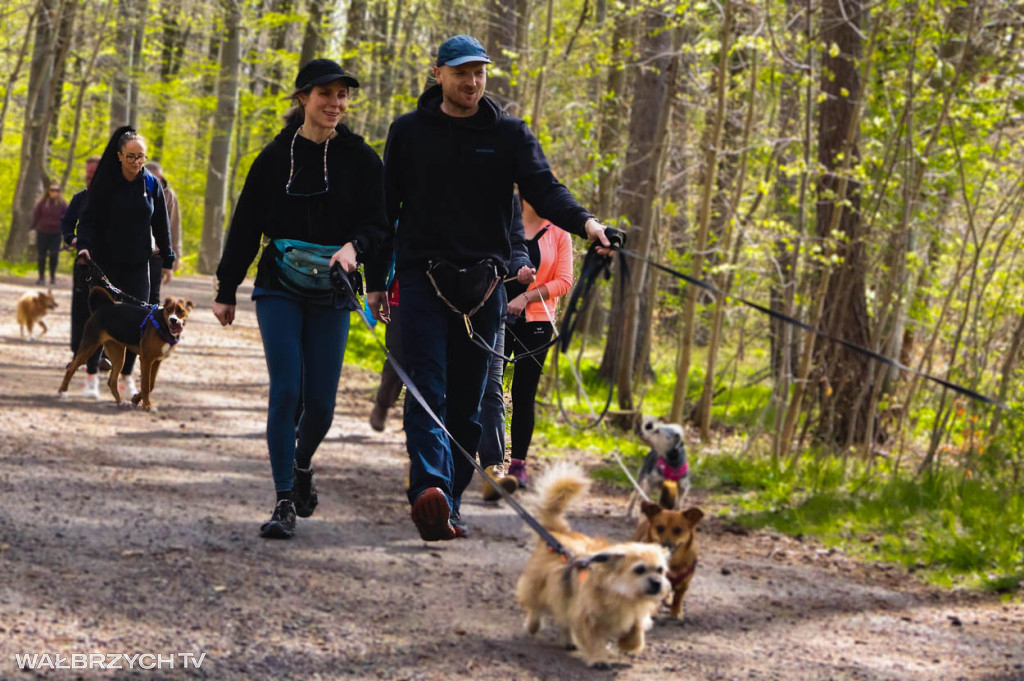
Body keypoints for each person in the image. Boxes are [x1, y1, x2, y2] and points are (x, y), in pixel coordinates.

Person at [365, 35, 611, 542]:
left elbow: (545, 189)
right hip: (421, 280)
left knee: (470, 405)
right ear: (438, 74)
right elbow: (385, 212)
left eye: (479, 71)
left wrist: (588, 226)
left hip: (485, 286)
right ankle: (428, 489)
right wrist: (374, 281)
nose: (472, 81)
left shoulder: (510, 135)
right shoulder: (408, 132)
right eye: (461, 72)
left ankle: (448, 505)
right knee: (426, 389)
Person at [213, 58, 389, 540]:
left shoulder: (362, 159)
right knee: (287, 391)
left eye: (343, 95)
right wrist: (227, 288)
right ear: (302, 99)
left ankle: (302, 462)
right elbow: (246, 224)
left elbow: (379, 225)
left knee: (322, 405)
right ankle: (284, 499)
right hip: (279, 286)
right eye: (325, 94)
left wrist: (359, 255)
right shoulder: (274, 157)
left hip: (334, 289)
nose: (336, 103)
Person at [76, 129, 174, 400]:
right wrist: (83, 244)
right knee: (100, 321)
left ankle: (127, 377)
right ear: (119, 156)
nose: (136, 162)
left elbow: (161, 226)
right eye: (130, 156)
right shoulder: (105, 183)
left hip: (137, 263)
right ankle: (92, 375)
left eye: (140, 156)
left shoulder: (151, 184)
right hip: (105, 263)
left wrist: (168, 258)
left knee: (138, 322)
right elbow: (87, 220)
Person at [500, 198, 574, 490]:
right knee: (487, 388)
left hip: (539, 322)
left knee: (523, 393)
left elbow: (564, 281)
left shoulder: (559, 233)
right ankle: (486, 457)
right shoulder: (505, 222)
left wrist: (527, 296)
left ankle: (517, 464)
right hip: (498, 316)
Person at [61, 156, 105, 396]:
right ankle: (78, 352)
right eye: (86, 176)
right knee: (81, 311)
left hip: (110, 267)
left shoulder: (115, 201)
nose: (89, 181)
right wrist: (72, 239)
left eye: (93, 176)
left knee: (106, 313)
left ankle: (104, 358)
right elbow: (67, 224)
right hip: (84, 264)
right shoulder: (80, 198)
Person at [144, 161, 183, 304]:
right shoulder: (134, 191)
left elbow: (173, 226)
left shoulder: (168, 195)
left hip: (158, 251)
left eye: (158, 178)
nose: (156, 182)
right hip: (135, 249)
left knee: (153, 294)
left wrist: (174, 256)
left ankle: (150, 325)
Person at [31, 182, 68, 285]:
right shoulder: (42, 203)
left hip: (56, 233)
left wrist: (66, 232)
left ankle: (52, 277)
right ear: (48, 191)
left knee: (54, 255)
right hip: (42, 232)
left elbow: (67, 218)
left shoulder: (62, 204)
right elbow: (36, 216)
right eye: (52, 190)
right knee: (41, 255)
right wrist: (33, 229)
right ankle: (41, 277)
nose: (54, 192)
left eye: (57, 190)